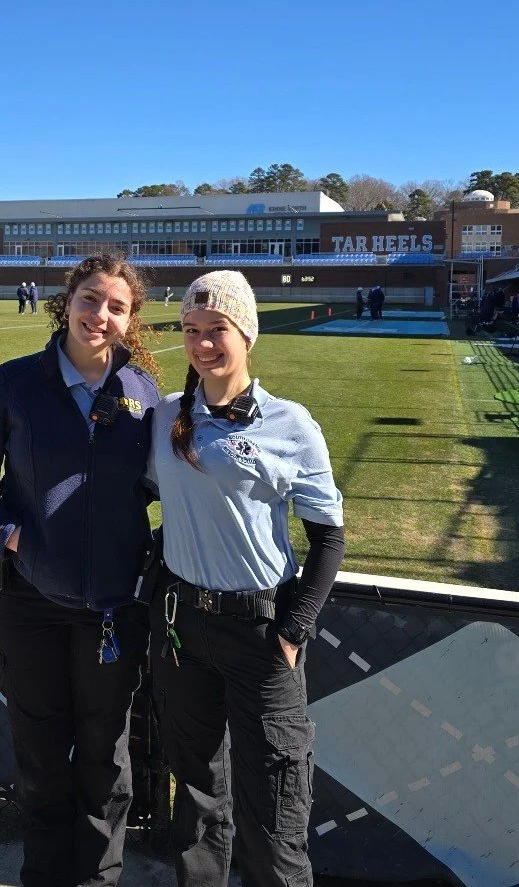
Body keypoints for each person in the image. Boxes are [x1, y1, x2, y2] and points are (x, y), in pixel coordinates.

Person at [0, 253, 162, 887]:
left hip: (113, 612)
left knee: (105, 761)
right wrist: (10, 535)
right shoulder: (15, 384)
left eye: (117, 306)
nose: (101, 315)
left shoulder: (145, 395)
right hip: (28, 605)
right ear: (67, 301)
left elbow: (166, 485)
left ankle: (97, 879)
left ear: (130, 319)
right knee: (40, 758)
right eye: (92, 299)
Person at [146, 270, 345, 887]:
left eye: (218, 331)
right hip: (183, 631)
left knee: (276, 806)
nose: (204, 345)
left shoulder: (291, 425)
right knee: (199, 793)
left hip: (260, 636)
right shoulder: (162, 420)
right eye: (192, 332)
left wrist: (294, 629)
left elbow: (329, 537)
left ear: (247, 335)